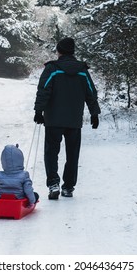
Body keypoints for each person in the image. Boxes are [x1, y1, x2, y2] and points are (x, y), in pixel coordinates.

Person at [33, 37, 101, 200]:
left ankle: (53, 184)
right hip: (74, 120)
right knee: (72, 154)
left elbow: (44, 90)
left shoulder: (52, 69)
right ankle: (68, 187)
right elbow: (90, 92)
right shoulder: (82, 70)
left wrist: (38, 111)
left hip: (53, 119)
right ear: (73, 51)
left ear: (59, 51)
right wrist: (94, 113)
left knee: (51, 153)